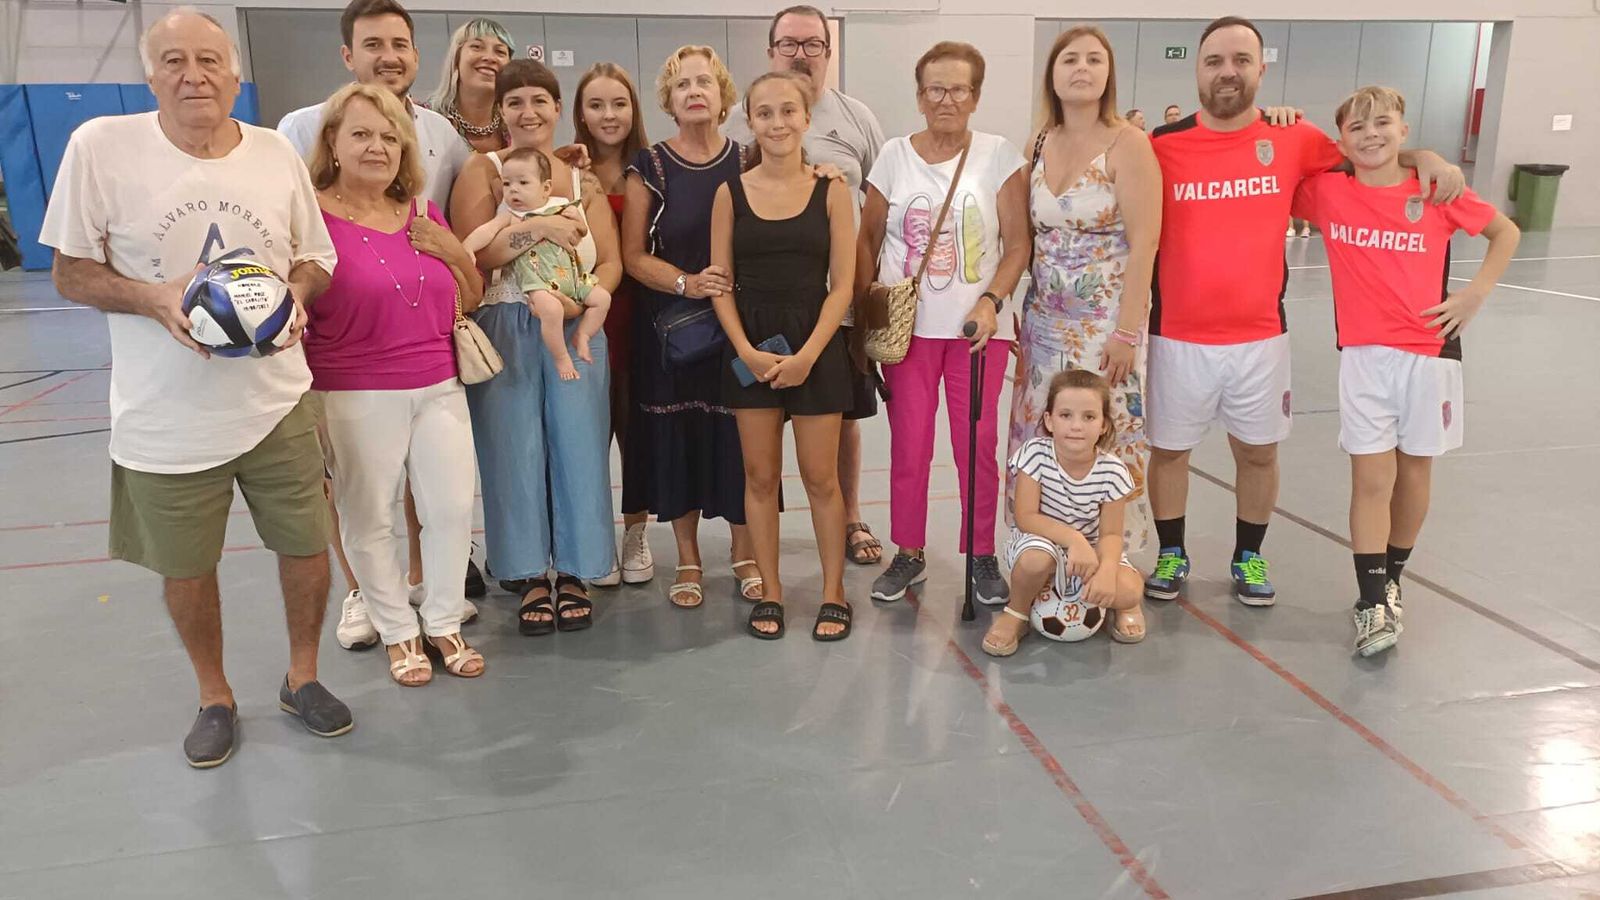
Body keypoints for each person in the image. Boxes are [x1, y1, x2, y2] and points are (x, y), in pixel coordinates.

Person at [40, 8, 349, 767]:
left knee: (307, 547)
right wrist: (154, 298)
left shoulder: (275, 153)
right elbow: (70, 271)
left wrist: (296, 298)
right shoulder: (101, 148)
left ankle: (302, 677)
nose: (193, 75)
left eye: (209, 60)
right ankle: (214, 694)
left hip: (277, 400)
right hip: (164, 417)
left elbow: (317, 258)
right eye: (173, 61)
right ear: (150, 77)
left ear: (235, 74)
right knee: (187, 564)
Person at [1142, 16, 1464, 608]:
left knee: (1259, 452)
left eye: (1241, 60)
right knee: (1168, 451)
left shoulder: (1295, 138)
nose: (1228, 72)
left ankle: (1249, 555)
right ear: (1197, 69)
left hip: (1261, 336)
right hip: (1177, 334)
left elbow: (1371, 156)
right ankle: (1172, 551)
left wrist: (1426, 155)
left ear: (1262, 68)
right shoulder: (1161, 146)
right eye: (1215, 61)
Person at [276, 0, 483, 645]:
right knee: (369, 517)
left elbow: (466, 298)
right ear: (331, 143)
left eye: (389, 137)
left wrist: (452, 251)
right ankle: (394, 626)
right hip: (353, 387)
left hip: (439, 382)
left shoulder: (422, 211)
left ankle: (443, 620)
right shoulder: (307, 215)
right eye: (361, 135)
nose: (377, 146)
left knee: (450, 510)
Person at [1291, 85, 1519, 656]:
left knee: (1414, 470)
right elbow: (1286, 168)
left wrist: (1474, 295)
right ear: (1341, 139)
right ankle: (1371, 601)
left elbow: (1505, 232)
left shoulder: (1434, 190)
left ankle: (1394, 576)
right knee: (1370, 480)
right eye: (1357, 127)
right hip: (1365, 357)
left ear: (1404, 129)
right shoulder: (1327, 193)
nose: (1372, 135)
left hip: (1429, 352)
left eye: (1383, 123)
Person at [450, 59, 620, 634]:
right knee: (513, 449)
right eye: (515, 101)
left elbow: (613, 259)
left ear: (556, 107)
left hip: (575, 327)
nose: (528, 112)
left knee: (579, 445)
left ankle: (575, 568)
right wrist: (538, 231)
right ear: (501, 111)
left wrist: (584, 307)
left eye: (539, 101)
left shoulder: (582, 177)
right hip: (508, 320)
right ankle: (525, 574)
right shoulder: (484, 170)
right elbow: (472, 256)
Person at [858, 41, 1030, 605]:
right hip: (907, 333)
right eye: (936, 88)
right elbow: (867, 237)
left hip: (977, 335)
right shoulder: (891, 156)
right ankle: (908, 551)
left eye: (958, 88)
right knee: (909, 446)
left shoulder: (999, 155)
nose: (946, 99)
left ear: (976, 97)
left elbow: (1017, 242)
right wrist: (865, 313)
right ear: (919, 95)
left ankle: (981, 554)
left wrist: (992, 301)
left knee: (976, 446)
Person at [724, 5, 890, 569]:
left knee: (841, 423)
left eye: (812, 44)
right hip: (761, 310)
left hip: (833, 310)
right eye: (789, 43)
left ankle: (849, 518)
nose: (801, 52)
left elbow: (875, 207)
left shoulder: (856, 118)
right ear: (771, 49)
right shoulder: (737, 126)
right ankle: (752, 552)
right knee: (759, 455)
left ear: (827, 50)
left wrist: (867, 292)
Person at [1008, 25, 1160, 639]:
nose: (1082, 68)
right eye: (1070, 58)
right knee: (1043, 443)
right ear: (1052, 72)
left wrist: (1128, 329)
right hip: (1044, 328)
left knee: (1107, 444)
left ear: (1109, 74)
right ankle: (1040, 566)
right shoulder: (1039, 142)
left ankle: (1115, 572)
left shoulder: (1129, 143)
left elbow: (1146, 241)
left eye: (1094, 59)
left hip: (1105, 330)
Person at [710, 71, 858, 640]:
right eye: (764, 113)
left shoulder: (832, 189)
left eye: (787, 112)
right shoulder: (732, 192)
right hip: (751, 343)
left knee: (822, 478)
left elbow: (841, 285)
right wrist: (745, 349)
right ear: (750, 120)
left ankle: (832, 591)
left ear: (805, 118)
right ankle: (769, 591)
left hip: (815, 343)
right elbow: (720, 280)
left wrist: (808, 356)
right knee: (760, 474)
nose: (777, 123)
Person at [621, 45, 767, 610]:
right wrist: (687, 283)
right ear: (669, 100)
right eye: (682, 85)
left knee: (740, 441)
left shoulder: (750, 160)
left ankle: (744, 553)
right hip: (672, 331)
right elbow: (634, 256)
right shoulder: (649, 166)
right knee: (678, 440)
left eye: (704, 81)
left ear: (725, 94)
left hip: (740, 328)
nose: (694, 92)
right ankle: (687, 558)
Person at [982, 370, 1146, 656]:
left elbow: (1110, 534)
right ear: (1048, 420)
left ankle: (1122, 604)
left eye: (1089, 417)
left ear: (1104, 425)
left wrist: (1106, 571)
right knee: (1036, 561)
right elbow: (1026, 517)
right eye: (1065, 415)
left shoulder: (1113, 471)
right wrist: (1074, 540)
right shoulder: (1035, 454)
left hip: (1091, 551)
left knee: (1131, 589)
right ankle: (1017, 612)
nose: (1076, 426)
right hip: (1041, 541)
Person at [573, 62, 653, 587]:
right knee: (586, 434)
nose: (608, 115)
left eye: (618, 104)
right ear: (580, 112)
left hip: (641, 321)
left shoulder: (653, 168)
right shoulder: (563, 170)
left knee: (636, 431)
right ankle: (592, 535)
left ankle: (636, 532)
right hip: (583, 318)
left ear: (634, 109)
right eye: (596, 105)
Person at [278, 0, 470, 213]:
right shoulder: (301, 128)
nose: (389, 58)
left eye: (399, 45)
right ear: (348, 57)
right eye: (373, 45)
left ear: (415, 56)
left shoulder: (442, 133)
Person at [463, 148, 612, 381]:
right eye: (507, 183)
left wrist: (576, 218)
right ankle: (561, 356)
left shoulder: (561, 206)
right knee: (551, 310)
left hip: (573, 280)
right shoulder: (511, 216)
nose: (514, 189)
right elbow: (485, 232)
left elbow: (582, 232)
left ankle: (583, 335)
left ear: (546, 188)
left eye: (523, 182)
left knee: (603, 299)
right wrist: (468, 248)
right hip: (539, 284)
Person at [425, 17, 515, 153]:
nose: (489, 58)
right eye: (477, 47)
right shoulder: (425, 121)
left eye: (500, 52)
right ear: (456, 59)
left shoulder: (515, 126)